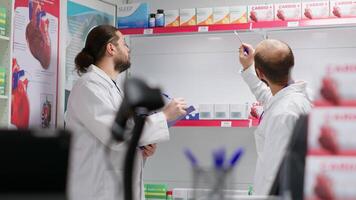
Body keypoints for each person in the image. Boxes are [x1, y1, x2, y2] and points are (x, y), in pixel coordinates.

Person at [65, 25, 187, 200]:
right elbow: (115, 135)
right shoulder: (89, 86)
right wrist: (165, 116)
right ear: (111, 48)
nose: (128, 48)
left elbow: (123, 137)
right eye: (123, 43)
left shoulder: (113, 88)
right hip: (97, 190)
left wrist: (141, 148)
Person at [238, 39, 312, 195]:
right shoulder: (295, 96)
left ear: (261, 74)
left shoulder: (283, 114)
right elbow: (270, 97)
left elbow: (274, 176)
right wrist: (248, 68)